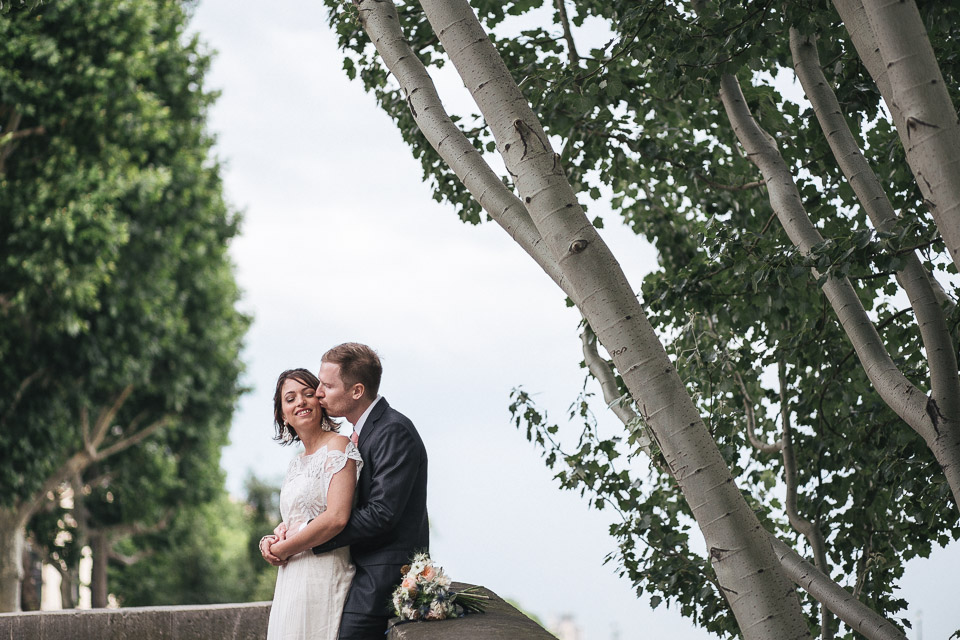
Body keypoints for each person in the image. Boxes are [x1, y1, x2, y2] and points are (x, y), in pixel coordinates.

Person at [312, 343, 429, 640]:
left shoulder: (393, 430)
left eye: (327, 385)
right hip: (358, 572)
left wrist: (315, 536)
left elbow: (382, 513)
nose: (318, 393)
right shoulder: (361, 433)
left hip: (381, 577)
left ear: (356, 390)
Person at [259, 368, 363, 640]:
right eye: (290, 399)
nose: (301, 402)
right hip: (291, 578)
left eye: (308, 394)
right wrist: (275, 536)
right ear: (283, 414)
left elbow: (337, 517)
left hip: (322, 572)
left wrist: (282, 549)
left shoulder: (339, 447)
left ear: (320, 401)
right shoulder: (296, 462)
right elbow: (299, 515)